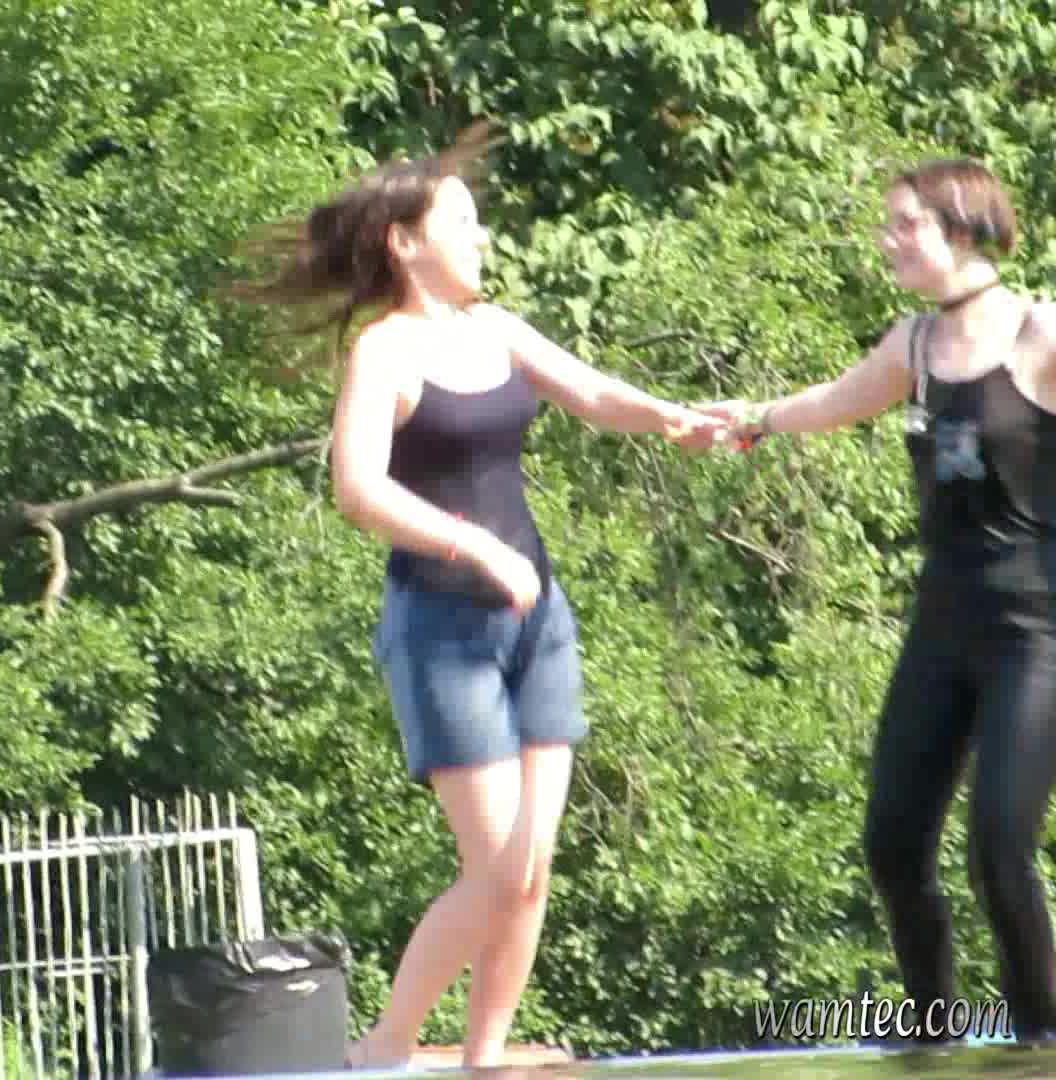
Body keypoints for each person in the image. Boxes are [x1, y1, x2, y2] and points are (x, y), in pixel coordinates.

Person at [229, 122, 728, 1070]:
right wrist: (475, 547)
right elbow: (358, 490)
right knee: (497, 869)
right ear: (404, 243)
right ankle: (385, 1045)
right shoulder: (384, 351)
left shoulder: (493, 330)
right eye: (460, 222)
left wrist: (672, 418)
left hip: (538, 624)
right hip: (443, 627)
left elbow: (594, 394)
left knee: (532, 869)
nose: (481, 237)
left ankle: (486, 1055)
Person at [701, 157, 1056, 1046]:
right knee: (893, 841)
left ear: (963, 228)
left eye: (905, 223)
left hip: (1038, 633)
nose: (887, 239)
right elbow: (835, 402)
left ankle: (1042, 1043)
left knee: (998, 850)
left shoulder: (1043, 333)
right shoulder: (914, 343)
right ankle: (932, 1033)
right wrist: (752, 418)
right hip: (942, 625)